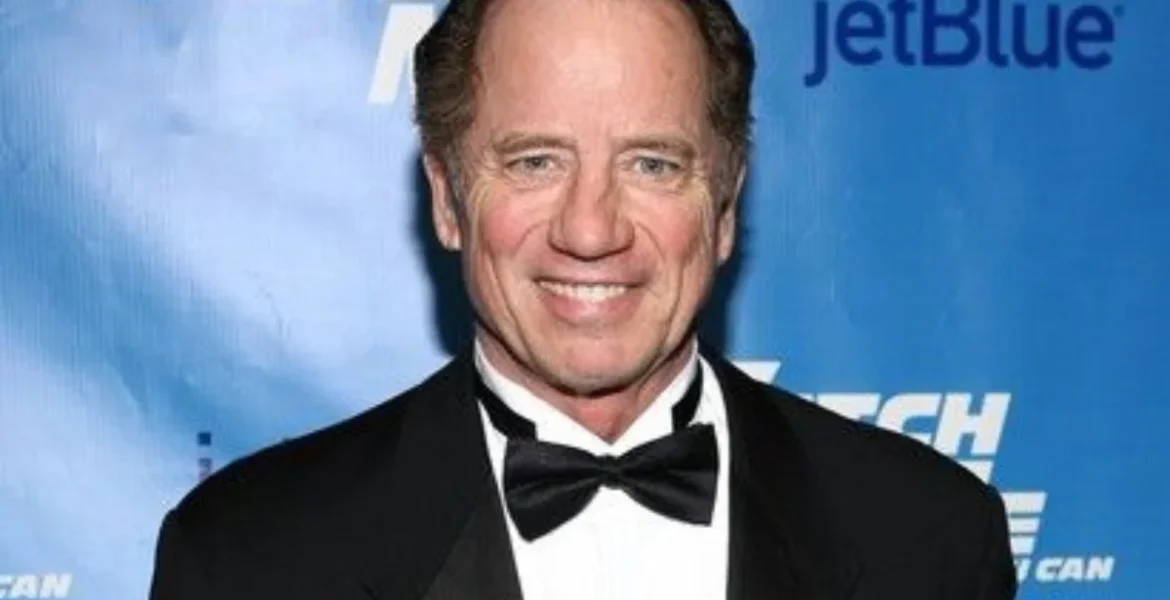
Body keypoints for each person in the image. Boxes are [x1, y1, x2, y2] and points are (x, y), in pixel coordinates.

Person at [149, 0, 1018, 598]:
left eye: (652, 163)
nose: (591, 228)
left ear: (724, 204)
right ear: (448, 200)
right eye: (534, 161)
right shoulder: (251, 560)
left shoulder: (927, 539)